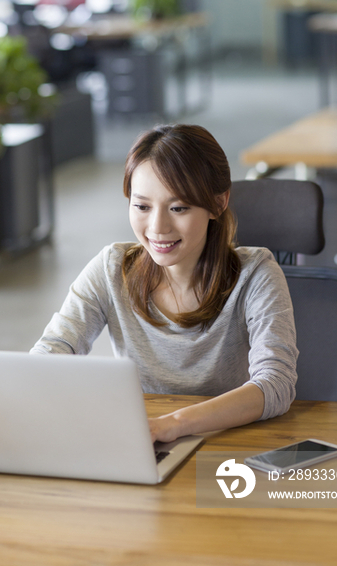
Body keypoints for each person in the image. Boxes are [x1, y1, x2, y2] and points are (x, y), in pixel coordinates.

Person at [31, 124, 298, 443]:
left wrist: (173, 424)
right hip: (144, 440)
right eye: (142, 206)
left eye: (178, 208)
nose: (157, 227)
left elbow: (276, 385)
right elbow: (55, 348)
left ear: (218, 202)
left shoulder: (257, 275)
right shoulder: (112, 268)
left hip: (225, 443)